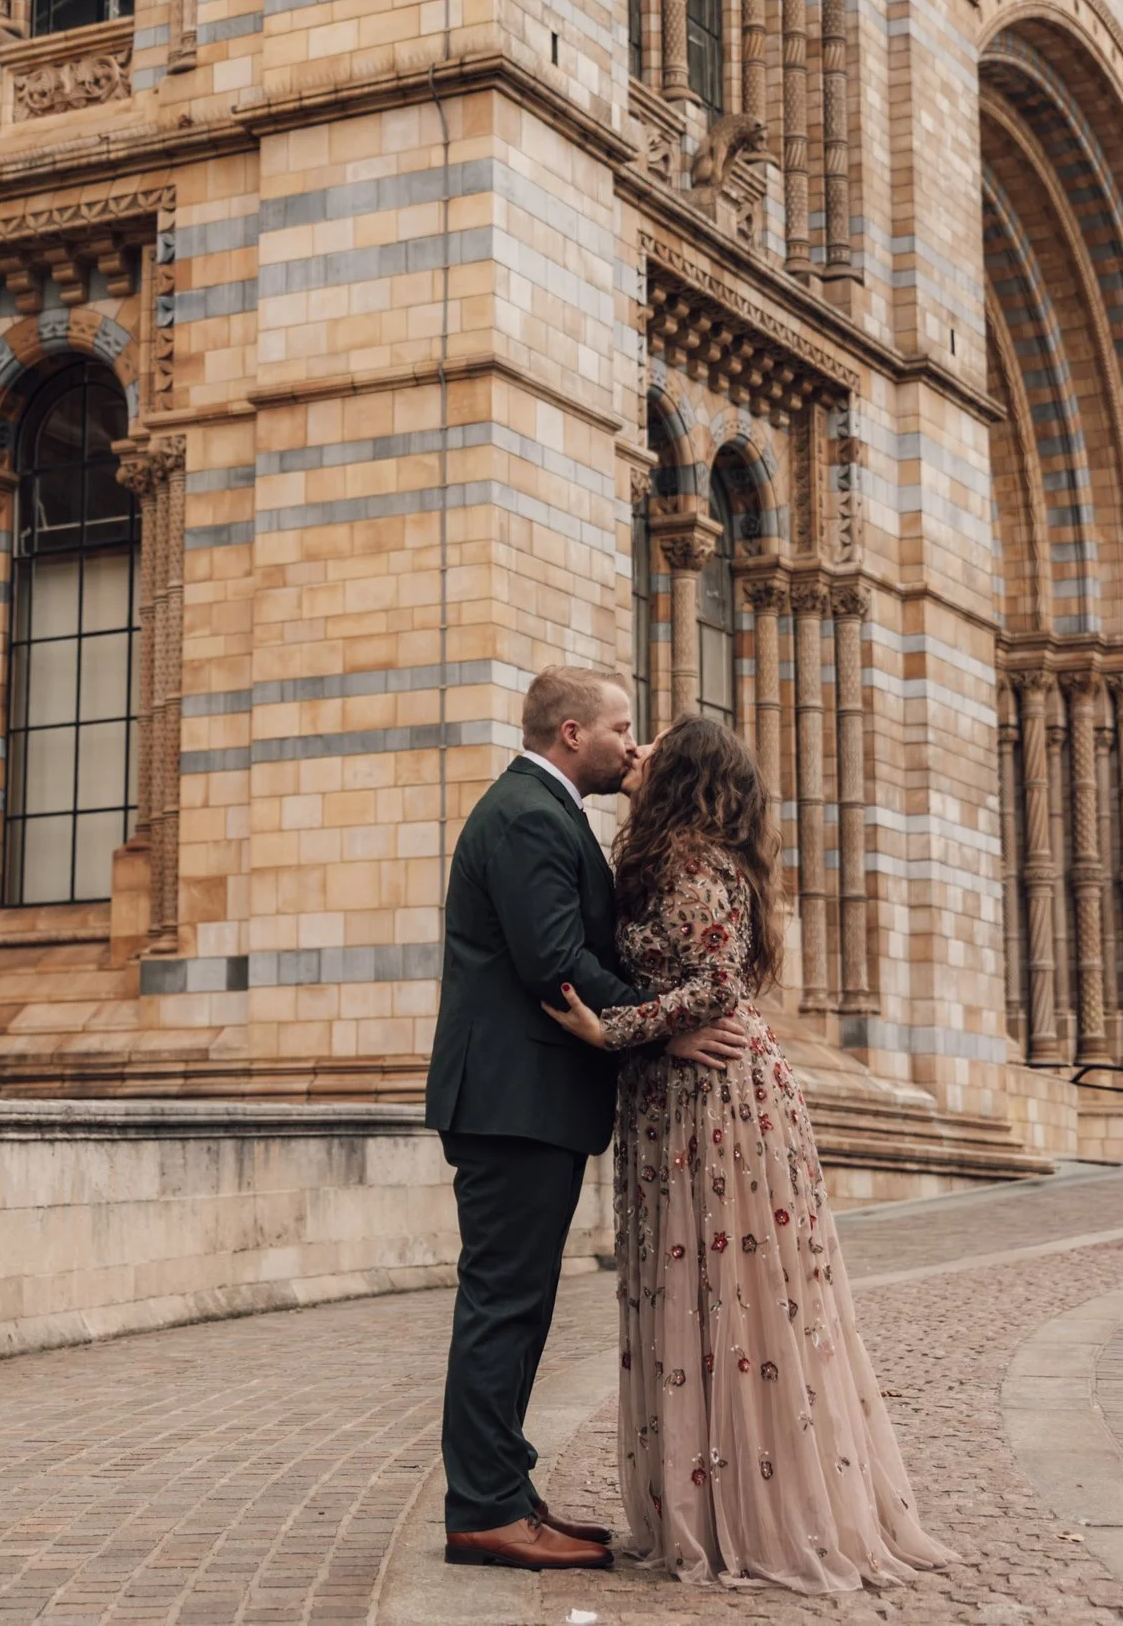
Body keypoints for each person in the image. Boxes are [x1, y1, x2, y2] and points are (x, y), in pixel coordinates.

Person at [540, 717, 955, 1592]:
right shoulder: (664, 857)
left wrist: (610, 1027)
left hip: (719, 1106)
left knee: (733, 1301)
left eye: (653, 745)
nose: (638, 752)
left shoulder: (695, 861)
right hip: (672, 1099)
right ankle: (709, 1502)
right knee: (689, 1296)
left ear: (684, 772)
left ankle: (757, 1514)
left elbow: (718, 986)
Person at [425, 666, 643, 1572]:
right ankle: (482, 1507)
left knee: (521, 1305)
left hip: (531, 1102)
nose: (632, 744)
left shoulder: (549, 810)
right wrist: (663, 1012)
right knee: (503, 1306)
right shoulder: (525, 814)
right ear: (569, 733)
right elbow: (553, 958)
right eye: (621, 728)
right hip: (514, 1102)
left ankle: (507, 1491)